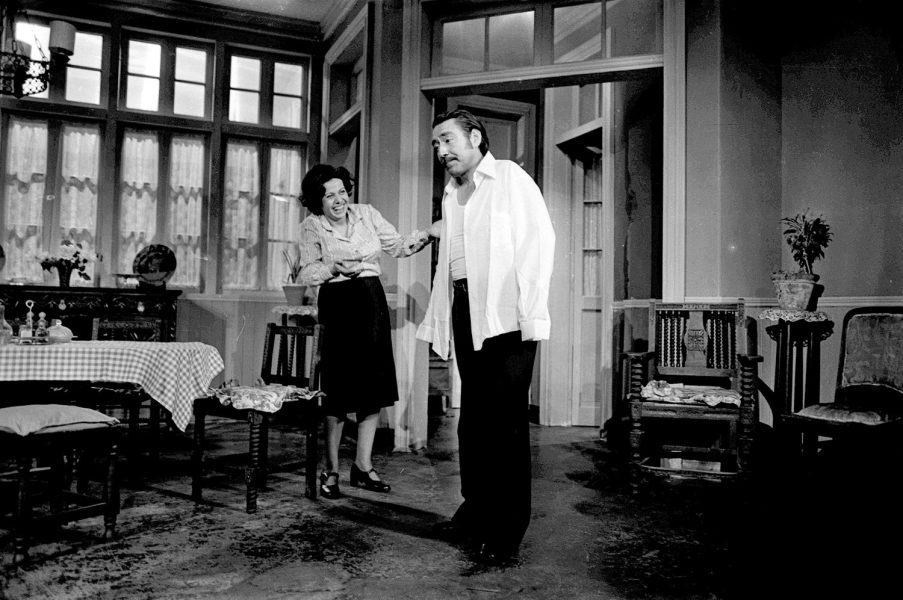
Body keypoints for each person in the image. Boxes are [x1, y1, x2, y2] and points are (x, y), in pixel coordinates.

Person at [417, 109, 556, 562]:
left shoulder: (509, 178)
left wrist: (531, 316)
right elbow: (451, 265)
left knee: (505, 424)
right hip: (466, 310)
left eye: (447, 140)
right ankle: (476, 510)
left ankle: (506, 532)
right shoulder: (452, 192)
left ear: (475, 137)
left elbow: (537, 246)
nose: (441, 151)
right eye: (435, 144)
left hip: (506, 318)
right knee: (473, 420)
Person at [297, 164, 440, 499]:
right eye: (329, 195)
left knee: (372, 387)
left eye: (342, 192)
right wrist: (331, 268)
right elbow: (306, 272)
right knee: (338, 390)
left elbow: (399, 246)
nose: (339, 200)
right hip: (337, 303)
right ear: (318, 200)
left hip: (371, 300)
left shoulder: (368, 214)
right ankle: (331, 470)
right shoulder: (312, 226)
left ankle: (363, 466)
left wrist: (428, 233)